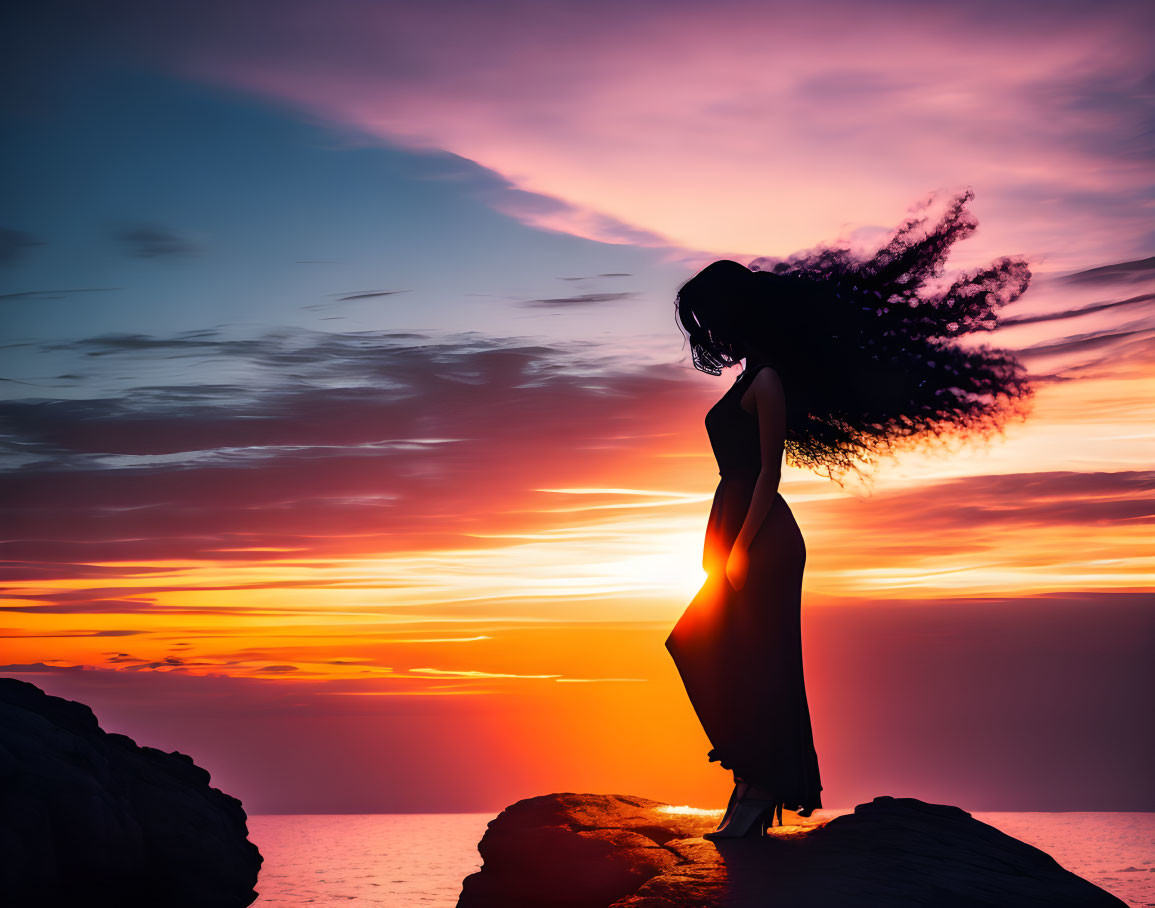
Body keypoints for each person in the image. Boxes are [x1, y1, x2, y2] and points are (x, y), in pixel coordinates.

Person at [664, 190, 1034, 839]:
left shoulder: (768, 380)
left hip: (760, 532)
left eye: (708, 319)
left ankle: (758, 786)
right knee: (714, 649)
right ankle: (753, 781)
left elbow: (771, 472)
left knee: (749, 657)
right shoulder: (749, 378)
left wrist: (741, 548)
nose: (707, 334)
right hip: (734, 524)